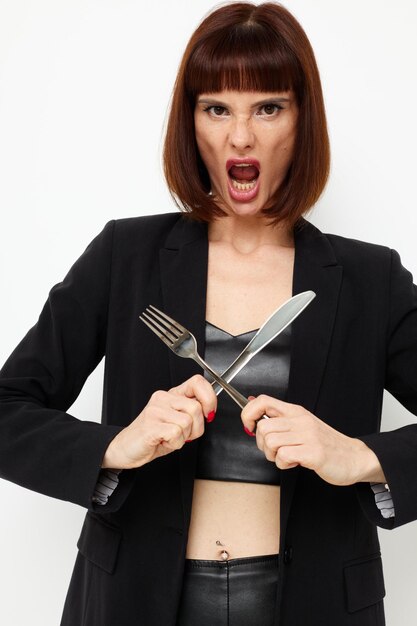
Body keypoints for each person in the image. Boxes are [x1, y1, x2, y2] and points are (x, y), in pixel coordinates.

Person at [0, 2, 416, 625]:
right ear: (190, 122)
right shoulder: (125, 255)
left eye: (268, 107)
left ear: (303, 122)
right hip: (134, 602)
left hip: (315, 606)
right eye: (216, 107)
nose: (240, 136)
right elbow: (8, 411)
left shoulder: (370, 279)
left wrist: (359, 457)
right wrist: (117, 444)